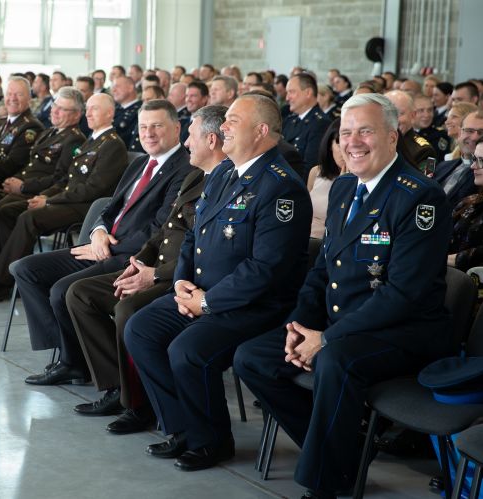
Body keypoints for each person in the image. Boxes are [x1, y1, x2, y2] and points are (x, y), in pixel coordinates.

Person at [234, 93, 452, 499]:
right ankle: (345, 453)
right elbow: (322, 271)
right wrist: (299, 326)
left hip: (403, 331)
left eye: (365, 131)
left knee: (334, 361)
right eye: (346, 133)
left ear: (392, 136)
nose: (353, 142)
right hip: (343, 323)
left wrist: (326, 338)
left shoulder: (420, 197)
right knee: (253, 358)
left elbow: (402, 294)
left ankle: (326, 482)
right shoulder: (345, 187)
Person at [124, 93, 311, 472]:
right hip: (201, 293)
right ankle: (182, 428)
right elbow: (193, 235)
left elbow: (265, 269)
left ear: (261, 131)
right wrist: (181, 282)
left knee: (188, 350)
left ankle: (211, 441)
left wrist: (207, 302)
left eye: (233, 121)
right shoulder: (225, 172)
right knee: (140, 329)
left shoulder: (281, 187)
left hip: (253, 306)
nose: (223, 126)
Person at [66, 105, 229, 433]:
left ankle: (138, 405)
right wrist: (138, 262)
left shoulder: (225, 182)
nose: (186, 144)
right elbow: (164, 232)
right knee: (80, 293)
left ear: (211, 140)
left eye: (190, 136)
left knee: (127, 311)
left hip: (177, 277)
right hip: (154, 266)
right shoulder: (196, 175)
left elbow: (205, 253)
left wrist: (154, 274)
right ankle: (117, 386)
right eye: (144, 126)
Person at [14, 99, 191, 385]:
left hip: (130, 256)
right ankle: (73, 354)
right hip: (101, 246)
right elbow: (109, 208)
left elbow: (159, 229)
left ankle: (86, 366)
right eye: (143, 127)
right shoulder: (140, 164)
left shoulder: (184, 169)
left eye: (157, 126)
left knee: (62, 290)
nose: (148, 133)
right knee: (25, 269)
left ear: (176, 128)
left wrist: (108, 247)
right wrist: (97, 231)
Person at [0, 93, 131, 304]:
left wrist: (49, 201)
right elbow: (66, 179)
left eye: (95, 109)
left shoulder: (112, 144)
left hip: (86, 208)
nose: (88, 113)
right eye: (88, 108)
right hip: (69, 200)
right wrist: (45, 195)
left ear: (110, 113)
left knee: (29, 217)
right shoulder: (92, 141)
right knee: (8, 211)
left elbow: (92, 189)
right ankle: (13, 274)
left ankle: (1, 283)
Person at [0, 87, 86, 284]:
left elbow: (60, 178)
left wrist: (23, 186)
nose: (55, 111)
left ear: (77, 115)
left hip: (36, 191)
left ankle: (4, 277)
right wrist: (13, 180)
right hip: (21, 185)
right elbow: (30, 166)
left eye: (62, 109)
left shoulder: (74, 139)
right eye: (55, 106)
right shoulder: (49, 133)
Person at [434, 110, 483, 208]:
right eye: (469, 131)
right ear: (460, 132)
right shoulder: (443, 165)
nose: (474, 137)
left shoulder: (480, 176)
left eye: (481, 132)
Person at [306, 119, 346, 238]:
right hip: (306, 239)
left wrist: (345, 183)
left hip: (332, 242)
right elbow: (304, 212)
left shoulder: (363, 180)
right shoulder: (316, 172)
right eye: (339, 143)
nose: (345, 150)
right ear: (330, 145)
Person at [448, 138, 483, 271]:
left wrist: (439, 259)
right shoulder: (469, 202)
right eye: (474, 159)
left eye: (481, 161)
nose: (473, 166)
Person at [283, 73, 330, 168]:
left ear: (308, 93)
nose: (287, 98)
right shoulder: (290, 120)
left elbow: (310, 168)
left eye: (291, 92)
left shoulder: (320, 124)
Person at [385, 90, 435, 171]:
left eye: (399, 113)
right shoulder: (371, 143)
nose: (392, 120)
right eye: (386, 113)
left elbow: (426, 178)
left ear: (413, 115)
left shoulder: (425, 151)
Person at [111, 76, 141, 147]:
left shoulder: (141, 110)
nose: (113, 90)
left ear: (130, 88)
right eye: (113, 87)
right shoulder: (114, 108)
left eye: (117, 86)